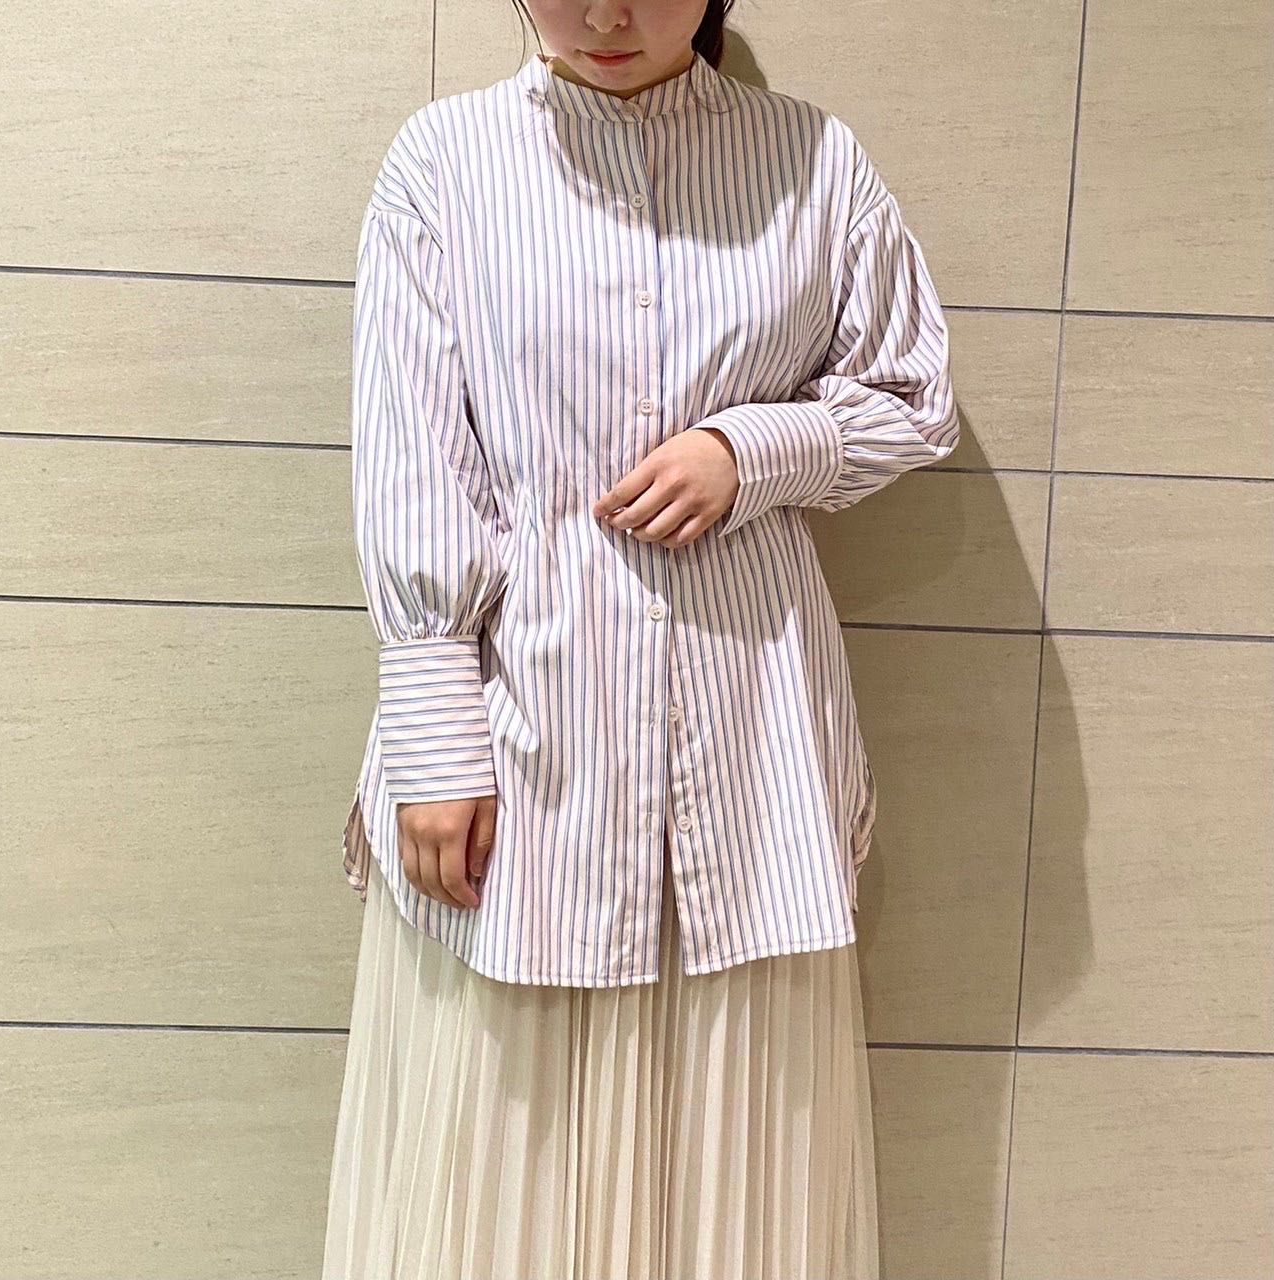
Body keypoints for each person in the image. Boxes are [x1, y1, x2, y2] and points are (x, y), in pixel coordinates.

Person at [321, 2, 958, 1277]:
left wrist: (754, 447)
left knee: (735, 1163)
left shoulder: (812, 161)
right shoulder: (444, 162)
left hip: (747, 735)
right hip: (524, 736)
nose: (607, 15)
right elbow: (412, 457)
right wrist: (437, 731)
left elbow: (912, 394)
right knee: (501, 1153)